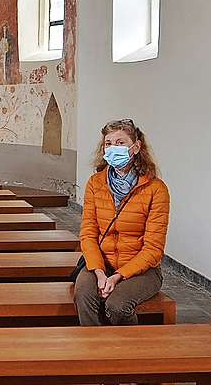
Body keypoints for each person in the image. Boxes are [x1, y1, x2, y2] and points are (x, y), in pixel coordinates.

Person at [73, 118, 169, 326]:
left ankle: (128, 351)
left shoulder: (155, 189)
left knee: (117, 304)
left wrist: (117, 277)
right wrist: (99, 272)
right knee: (83, 295)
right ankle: (93, 347)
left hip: (141, 269)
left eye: (120, 143)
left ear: (136, 147)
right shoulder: (95, 183)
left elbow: (153, 249)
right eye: (108, 143)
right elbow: (88, 234)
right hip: (101, 263)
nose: (113, 148)